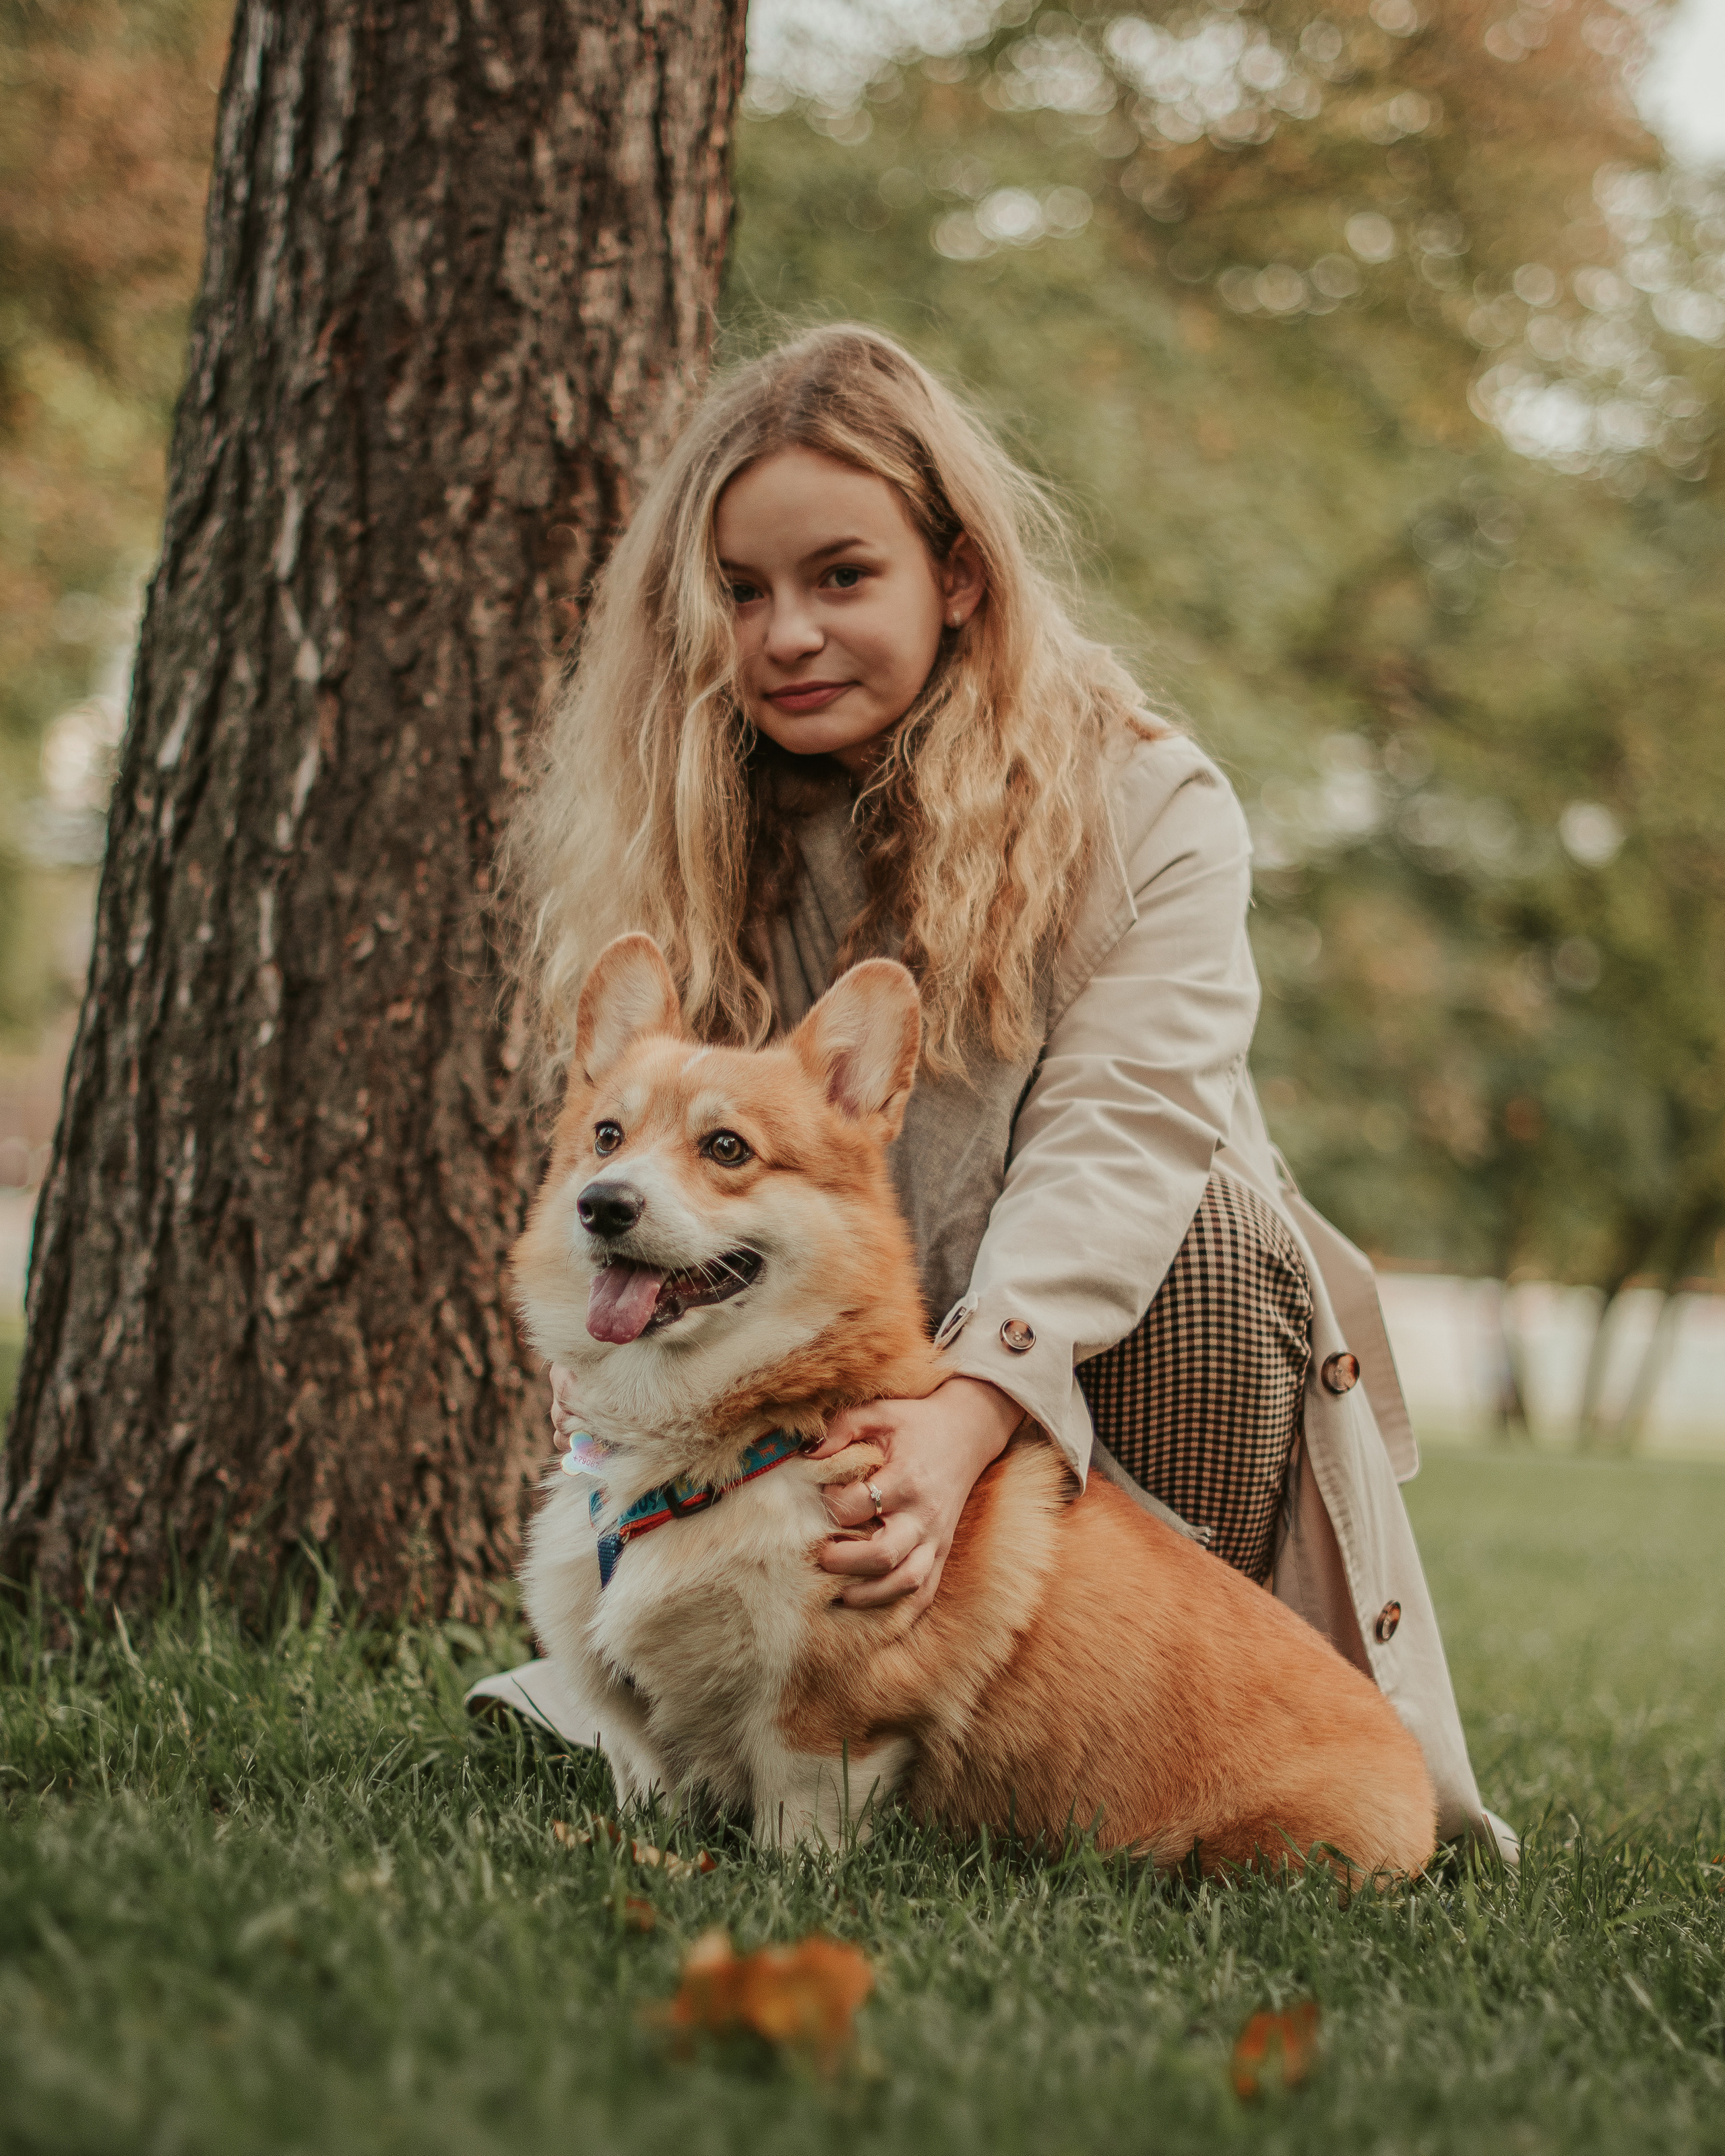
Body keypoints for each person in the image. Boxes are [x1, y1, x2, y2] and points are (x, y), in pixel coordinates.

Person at [480, 323, 1511, 1858]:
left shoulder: (1148, 802)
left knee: (1224, 1245)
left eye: (841, 577)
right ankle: (782, 1718)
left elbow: (1122, 1144)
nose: (783, 637)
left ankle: (1128, 1749)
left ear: (955, 573)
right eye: (742, 592)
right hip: (794, 1381)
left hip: (1106, 1340)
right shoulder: (696, 799)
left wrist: (962, 1414)